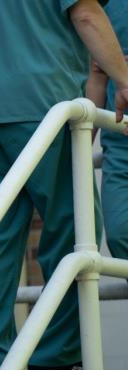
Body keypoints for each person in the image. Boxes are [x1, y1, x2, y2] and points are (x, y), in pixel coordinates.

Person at [0, 0, 128, 370]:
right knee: (74, 226)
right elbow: (86, 13)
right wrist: (124, 80)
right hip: (42, 100)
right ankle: (60, 355)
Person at [87, 0, 128, 263]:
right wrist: (75, 151)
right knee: (121, 232)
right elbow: (97, 77)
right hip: (121, 147)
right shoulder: (107, 4)